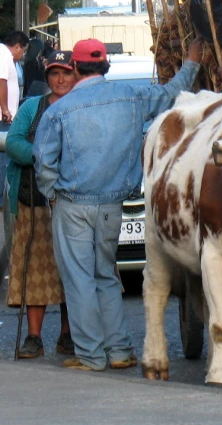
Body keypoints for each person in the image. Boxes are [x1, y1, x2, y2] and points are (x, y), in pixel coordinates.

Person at [33, 37, 202, 371]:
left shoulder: (59, 110)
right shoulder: (131, 97)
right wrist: (192, 62)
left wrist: (52, 193)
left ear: (75, 67)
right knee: (106, 277)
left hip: (73, 204)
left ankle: (91, 356)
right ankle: (121, 351)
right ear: (105, 66)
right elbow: (172, 92)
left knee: (79, 280)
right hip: (113, 205)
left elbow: (43, 159)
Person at [5, 50, 77, 358]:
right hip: (33, 202)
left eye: (66, 73)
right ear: (47, 77)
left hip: (75, 204)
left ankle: (69, 334)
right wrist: (45, 154)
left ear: (76, 75)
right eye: (54, 74)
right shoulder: (32, 107)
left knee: (72, 271)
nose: (60, 79)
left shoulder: (82, 107)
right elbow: (14, 142)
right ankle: (33, 337)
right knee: (35, 269)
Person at [0, 31, 30, 209]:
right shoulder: (4, 54)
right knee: (4, 159)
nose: (23, 54)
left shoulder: (6, 56)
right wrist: (4, 108)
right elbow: (1, 81)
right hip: (3, 117)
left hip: (6, 115)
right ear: (17, 46)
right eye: (23, 50)